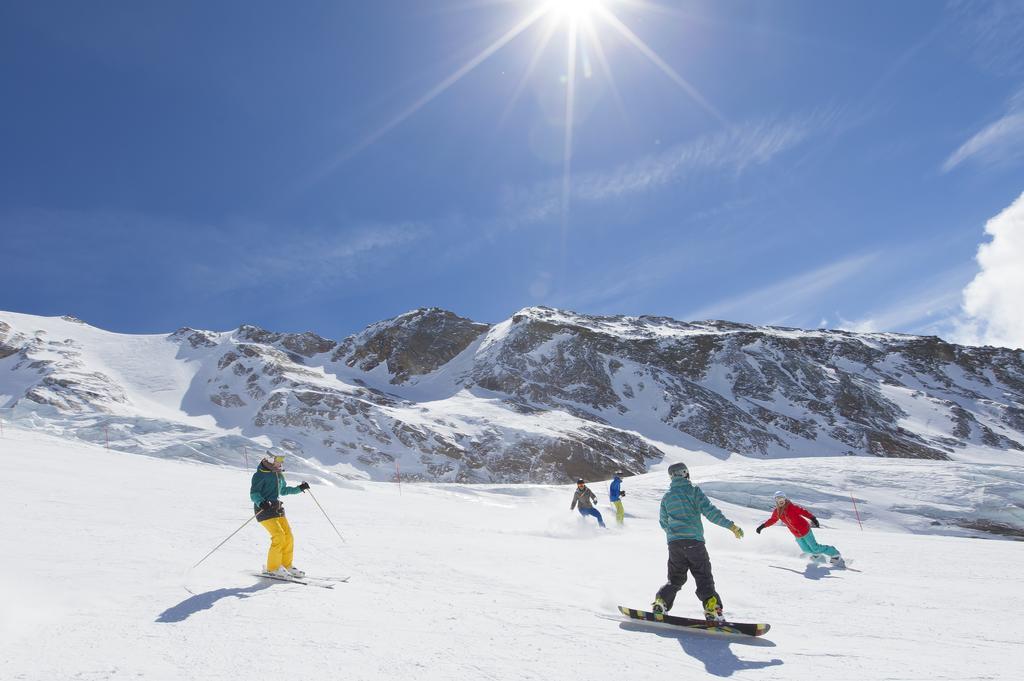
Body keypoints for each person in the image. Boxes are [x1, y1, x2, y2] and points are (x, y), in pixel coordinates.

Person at [652, 462, 744, 622]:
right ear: (685, 473)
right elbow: (710, 512)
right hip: (694, 542)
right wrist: (731, 526)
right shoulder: (693, 491)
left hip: (674, 544)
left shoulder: (667, 497)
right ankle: (712, 608)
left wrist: (674, 534)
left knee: (675, 578)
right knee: (703, 576)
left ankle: (661, 602)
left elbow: (663, 521)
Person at [250, 451, 310, 578]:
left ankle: (286, 565)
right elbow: (254, 493)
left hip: (277, 510)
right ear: (270, 460)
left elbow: (283, 490)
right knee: (279, 536)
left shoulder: (278, 475)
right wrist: (261, 502)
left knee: (288, 536)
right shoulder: (259, 475)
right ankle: (273, 568)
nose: (281, 462)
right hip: (264, 510)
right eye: (279, 459)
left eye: (282, 459)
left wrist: (300, 488)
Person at [756, 491, 844, 566]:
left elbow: (803, 512)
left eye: (782, 498)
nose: (780, 501)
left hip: (805, 530)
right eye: (778, 499)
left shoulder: (792, 507)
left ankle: (834, 554)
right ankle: (817, 555)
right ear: (776, 501)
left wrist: (813, 518)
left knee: (815, 547)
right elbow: (772, 520)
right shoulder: (777, 512)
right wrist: (762, 526)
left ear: (785, 499)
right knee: (805, 549)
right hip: (796, 534)